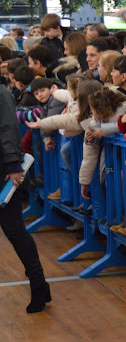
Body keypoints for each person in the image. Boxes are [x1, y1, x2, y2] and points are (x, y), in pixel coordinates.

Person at [0, 83, 50, 313]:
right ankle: (39, 285)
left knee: (15, 230)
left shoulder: (1, 92)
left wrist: (12, 165)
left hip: (3, 170)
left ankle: (38, 284)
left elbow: (7, 128)